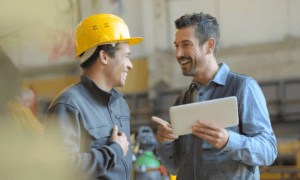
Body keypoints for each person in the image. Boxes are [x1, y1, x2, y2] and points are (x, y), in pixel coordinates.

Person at [151, 12, 277, 180]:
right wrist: (164, 142)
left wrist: (228, 141)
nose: (178, 53)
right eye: (176, 45)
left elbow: (268, 152)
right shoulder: (181, 102)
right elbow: (173, 168)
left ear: (209, 46)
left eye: (186, 45)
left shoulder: (243, 88)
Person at [43, 14, 142, 180]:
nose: (130, 65)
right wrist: (113, 152)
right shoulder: (68, 104)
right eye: (126, 56)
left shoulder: (121, 105)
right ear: (104, 56)